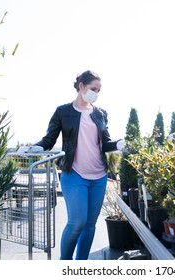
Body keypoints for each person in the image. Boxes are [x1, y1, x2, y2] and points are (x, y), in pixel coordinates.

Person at [30, 70, 125, 260]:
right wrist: (33, 147)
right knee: (77, 223)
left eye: (99, 90)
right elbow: (49, 139)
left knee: (90, 225)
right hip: (74, 174)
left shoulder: (100, 114)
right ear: (81, 86)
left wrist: (118, 144)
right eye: (93, 88)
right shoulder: (63, 111)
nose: (96, 93)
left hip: (99, 175)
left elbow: (105, 143)